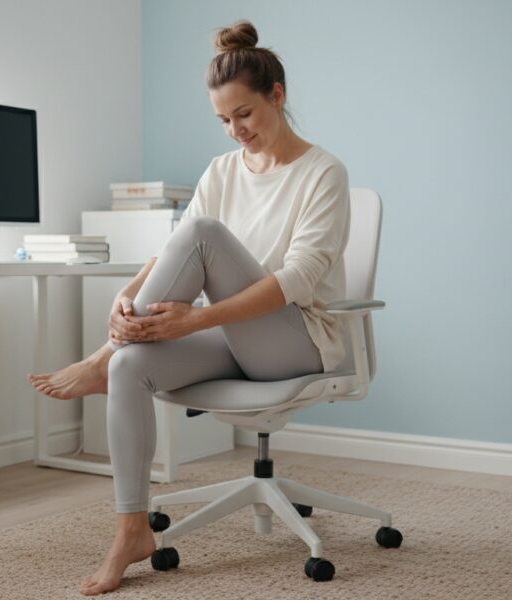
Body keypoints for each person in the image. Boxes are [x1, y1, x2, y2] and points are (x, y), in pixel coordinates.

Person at [29, 19, 350, 596]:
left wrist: (195, 319)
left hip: (294, 343)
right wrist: (125, 294)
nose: (235, 132)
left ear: (277, 95)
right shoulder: (223, 171)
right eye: (224, 121)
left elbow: (300, 277)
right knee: (133, 365)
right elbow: (170, 254)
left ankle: (102, 358)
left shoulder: (323, 173)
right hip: (234, 339)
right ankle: (131, 530)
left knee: (202, 230)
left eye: (245, 114)